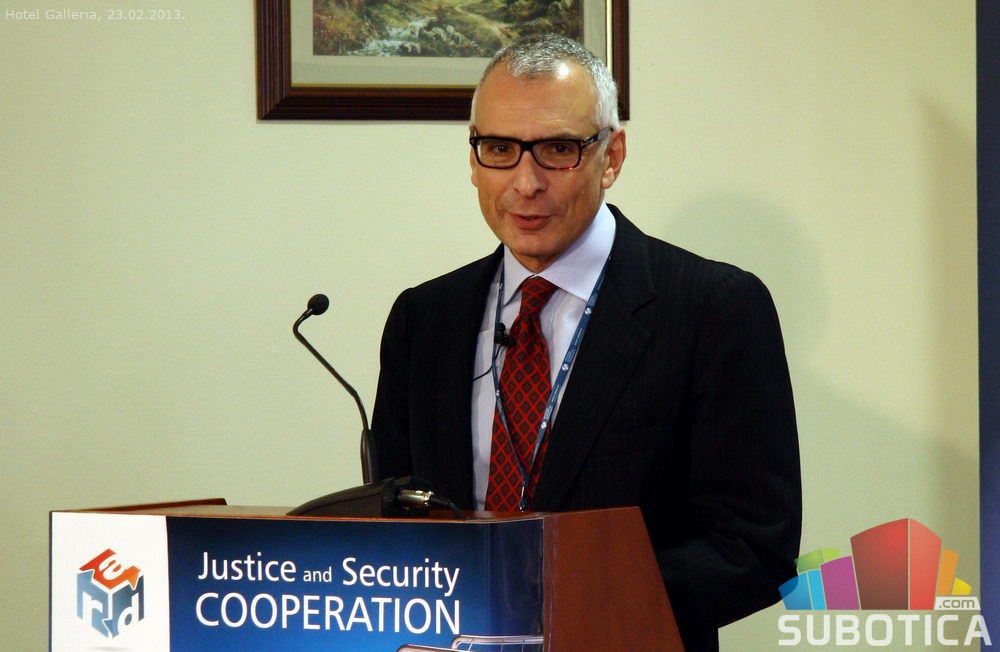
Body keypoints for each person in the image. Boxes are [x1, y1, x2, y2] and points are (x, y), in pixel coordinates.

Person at [371, 33, 801, 651]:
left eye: (557, 150)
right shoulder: (424, 317)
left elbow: (755, 547)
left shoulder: (714, 308)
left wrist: (565, 601)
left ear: (612, 156)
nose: (525, 183)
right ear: (473, 159)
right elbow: (392, 517)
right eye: (499, 149)